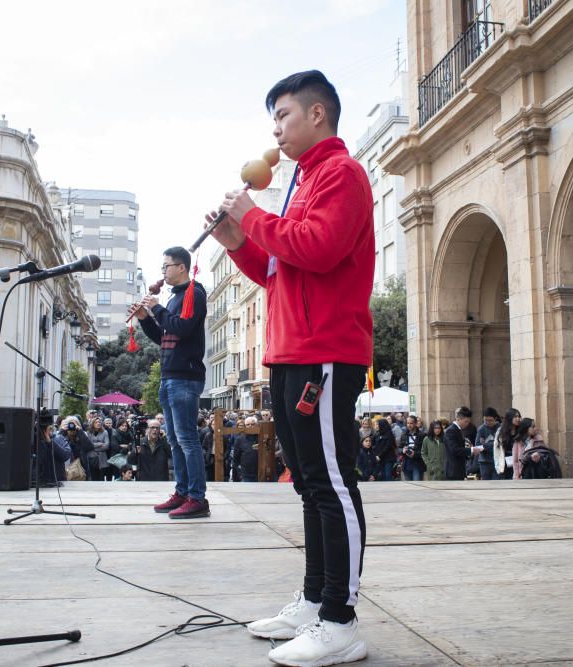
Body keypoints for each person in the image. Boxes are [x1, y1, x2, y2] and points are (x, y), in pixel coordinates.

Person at [211, 70, 372, 664]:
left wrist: (253, 216)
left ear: (318, 115)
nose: (275, 129)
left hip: (325, 351)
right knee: (308, 485)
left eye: (282, 115)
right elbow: (279, 269)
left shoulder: (342, 174)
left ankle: (341, 618)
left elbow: (319, 249)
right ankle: (313, 601)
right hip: (289, 351)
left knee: (331, 483)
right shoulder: (302, 180)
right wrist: (236, 238)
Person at [130, 246, 209, 519]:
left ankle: (197, 497)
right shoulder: (175, 298)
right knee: (175, 440)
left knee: (187, 440)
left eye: (166, 266)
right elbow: (165, 336)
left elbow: (182, 328)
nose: (163, 271)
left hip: (185, 377)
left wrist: (156, 307)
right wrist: (144, 319)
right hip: (170, 376)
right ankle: (183, 492)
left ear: (181, 267)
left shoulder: (194, 295)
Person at [444, 407, 482, 481]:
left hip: (459, 469)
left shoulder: (458, 430)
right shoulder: (451, 430)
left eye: (468, 422)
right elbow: (454, 450)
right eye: (466, 421)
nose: (467, 424)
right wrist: (471, 450)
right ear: (458, 419)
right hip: (453, 470)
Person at [37, 422, 71, 487]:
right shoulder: (34, 440)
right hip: (39, 483)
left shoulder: (59, 438)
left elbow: (66, 455)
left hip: (58, 481)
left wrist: (50, 442)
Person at [476, 408, 500, 480]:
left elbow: (500, 444)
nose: (487, 422)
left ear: (495, 419)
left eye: (490, 420)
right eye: (485, 420)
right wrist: (494, 444)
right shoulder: (481, 429)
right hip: (484, 461)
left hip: (497, 460)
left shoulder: (500, 428)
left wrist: (486, 445)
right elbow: (478, 445)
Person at [399, 415, 425, 481]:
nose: (409, 425)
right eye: (408, 423)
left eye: (411, 423)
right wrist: (402, 450)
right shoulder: (403, 434)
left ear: (415, 423)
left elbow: (425, 451)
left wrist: (415, 454)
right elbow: (398, 449)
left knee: (417, 485)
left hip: (417, 464)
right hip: (406, 464)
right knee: (409, 486)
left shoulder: (422, 435)